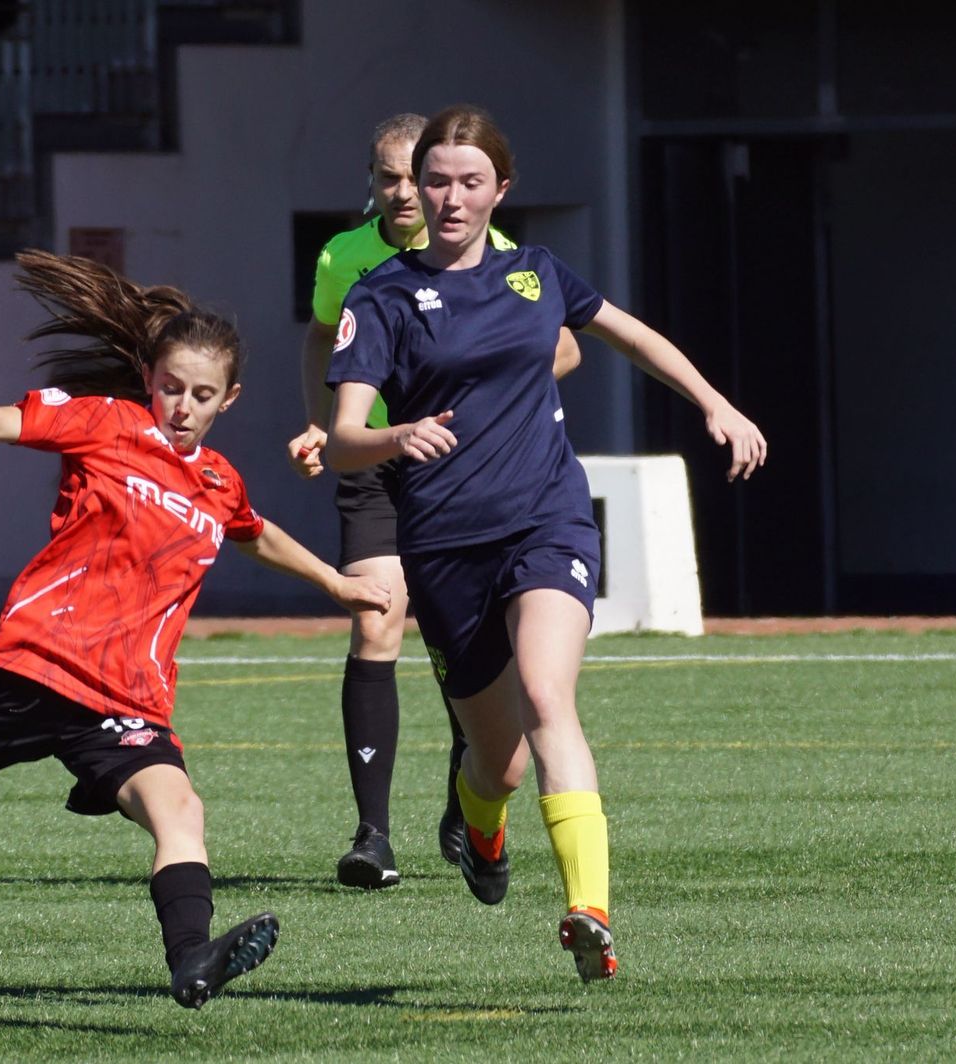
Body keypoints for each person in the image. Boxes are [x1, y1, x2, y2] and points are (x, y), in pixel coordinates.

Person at [0, 250, 390, 1008]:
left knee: (179, 811)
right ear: (149, 380)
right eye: (170, 387)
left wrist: (338, 583)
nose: (181, 405)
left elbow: (251, 531)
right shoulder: (105, 424)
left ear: (228, 400)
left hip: (125, 703)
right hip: (27, 675)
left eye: (200, 394)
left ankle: (191, 960)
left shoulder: (217, 481)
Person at [323, 105, 766, 982]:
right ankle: (480, 825)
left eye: (469, 182)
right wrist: (395, 435)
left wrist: (715, 402)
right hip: (445, 544)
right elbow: (341, 436)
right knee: (501, 763)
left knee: (546, 694)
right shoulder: (379, 294)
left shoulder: (537, 273)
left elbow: (628, 333)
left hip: (546, 519)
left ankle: (589, 912)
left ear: (501, 189)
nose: (449, 198)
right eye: (435, 180)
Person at [286, 113, 581, 890]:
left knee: (483, 667)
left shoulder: (510, 260)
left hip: (462, 469)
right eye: (389, 178)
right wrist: (321, 425)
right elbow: (323, 339)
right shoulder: (347, 261)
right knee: (376, 619)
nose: (406, 194)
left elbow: (563, 343)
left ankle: (473, 799)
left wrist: (489, 411)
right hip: (375, 457)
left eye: (409, 176)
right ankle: (372, 835)